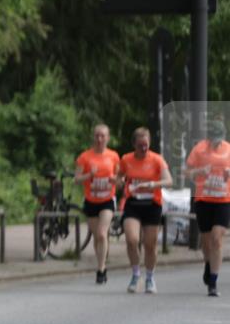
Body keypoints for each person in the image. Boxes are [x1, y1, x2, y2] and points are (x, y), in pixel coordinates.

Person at [117, 127, 172, 294]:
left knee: (150, 244)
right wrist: (120, 181)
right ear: (134, 144)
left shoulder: (157, 160)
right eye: (140, 145)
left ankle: (149, 277)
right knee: (132, 239)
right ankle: (135, 274)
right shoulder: (126, 159)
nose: (143, 148)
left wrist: (153, 184)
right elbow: (119, 178)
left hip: (152, 204)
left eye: (146, 145)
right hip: (133, 203)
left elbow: (169, 181)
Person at [185, 119, 229, 297]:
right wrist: (199, 172)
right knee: (206, 240)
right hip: (203, 199)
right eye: (214, 138)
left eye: (219, 138)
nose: (216, 142)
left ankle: (213, 281)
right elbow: (186, 172)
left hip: (223, 199)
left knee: (217, 239)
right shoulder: (199, 149)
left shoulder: (228, 149)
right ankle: (208, 263)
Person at [74, 124, 121, 284]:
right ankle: (102, 262)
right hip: (91, 201)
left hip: (107, 200)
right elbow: (77, 179)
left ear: (108, 138)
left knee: (102, 233)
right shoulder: (85, 157)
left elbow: (120, 180)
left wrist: (116, 180)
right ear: (93, 137)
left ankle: (101, 268)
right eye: (97, 135)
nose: (100, 139)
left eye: (103, 136)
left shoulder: (113, 156)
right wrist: (89, 175)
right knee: (97, 237)